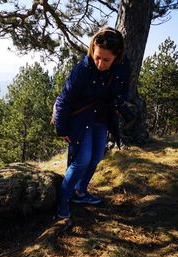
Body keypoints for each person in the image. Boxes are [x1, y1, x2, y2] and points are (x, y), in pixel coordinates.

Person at [53, 26, 132, 219]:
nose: (100, 63)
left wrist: (120, 100)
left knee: (96, 156)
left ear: (117, 56)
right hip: (80, 119)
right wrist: (61, 128)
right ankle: (62, 202)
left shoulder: (123, 66)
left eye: (106, 60)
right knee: (81, 161)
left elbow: (125, 88)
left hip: (102, 117)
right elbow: (65, 99)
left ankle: (81, 193)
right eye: (97, 57)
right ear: (92, 50)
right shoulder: (83, 69)